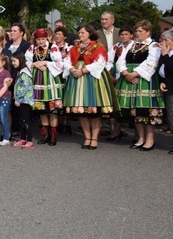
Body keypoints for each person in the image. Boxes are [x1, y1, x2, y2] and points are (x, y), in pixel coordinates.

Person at [63, 24, 119, 150]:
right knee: (82, 111)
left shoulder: (98, 47)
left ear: (90, 33)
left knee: (94, 111)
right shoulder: (75, 48)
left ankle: (94, 138)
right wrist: (72, 69)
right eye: (79, 32)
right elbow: (66, 61)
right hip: (77, 79)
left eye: (83, 32)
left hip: (92, 79)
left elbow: (100, 63)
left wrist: (83, 70)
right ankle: (87, 137)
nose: (80, 35)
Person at [116, 20, 165, 151]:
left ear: (148, 32)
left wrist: (135, 73)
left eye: (140, 31)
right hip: (129, 79)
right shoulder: (131, 45)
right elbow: (120, 60)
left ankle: (150, 139)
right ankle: (141, 138)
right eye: (136, 31)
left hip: (144, 80)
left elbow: (152, 62)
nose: (137, 33)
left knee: (147, 111)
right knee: (135, 111)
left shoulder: (153, 45)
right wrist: (126, 73)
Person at [26, 28, 65, 146]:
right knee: (41, 108)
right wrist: (34, 64)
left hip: (51, 79)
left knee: (52, 107)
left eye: (43, 39)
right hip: (37, 79)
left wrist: (45, 63)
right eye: (38, 39)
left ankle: (53, 135)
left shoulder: (53, 47)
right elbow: (26, 61)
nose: (41, 42)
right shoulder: (31, 48)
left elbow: (60, 64)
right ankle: (46, 134)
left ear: (47, 38)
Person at [11, 52, 35, 148]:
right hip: (22, 100)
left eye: (14, 61)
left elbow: (24, 87)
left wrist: (18, 99)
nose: (13, 63)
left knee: (26, 120)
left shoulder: (24, 72)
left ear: (20, 60)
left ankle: (29, 140)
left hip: (24, 100)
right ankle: (23, 139)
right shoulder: (20, 71)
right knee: (22, 120)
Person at [157, 29, 173, 154]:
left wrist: (165, 55)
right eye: (162, 40)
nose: (163, 43)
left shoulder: (167, 54)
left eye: (166, 40)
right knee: (170, 115)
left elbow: (171, 68)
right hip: (168, 88)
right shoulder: (166, 53)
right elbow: (162, 70)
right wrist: (162, 81)